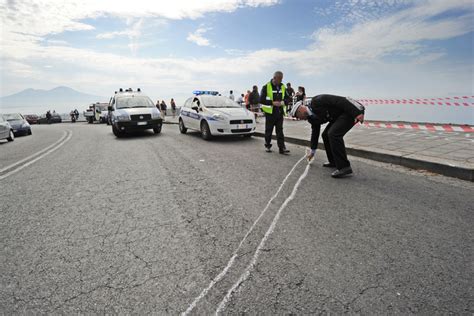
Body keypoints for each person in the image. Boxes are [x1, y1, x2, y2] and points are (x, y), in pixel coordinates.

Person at [290, 95, 365, 178]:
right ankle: (333, 162)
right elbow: (315, 133)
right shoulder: (311, 118)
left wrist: (357, 112)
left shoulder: (317, 101)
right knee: (325, 135)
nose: (300, 119)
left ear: (299, 111)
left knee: (333, 134)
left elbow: (341, 101)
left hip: (351, 111)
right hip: (339, 116)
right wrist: (313, 151)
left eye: (298, 117)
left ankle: (344, 167)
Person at [260, 71, 291, 154]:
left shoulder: (282, 86)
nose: (280, 81)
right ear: (274, 78)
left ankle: (282, 148)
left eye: (281, 79)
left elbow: (288, 98)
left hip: (279, 112)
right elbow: (261, 99)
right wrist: (272, 103)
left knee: (280, 131)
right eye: (279, 79)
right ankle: (268, 145)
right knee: (269, 130)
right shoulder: (266, 87)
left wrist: (283, 102)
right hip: (270, 113)